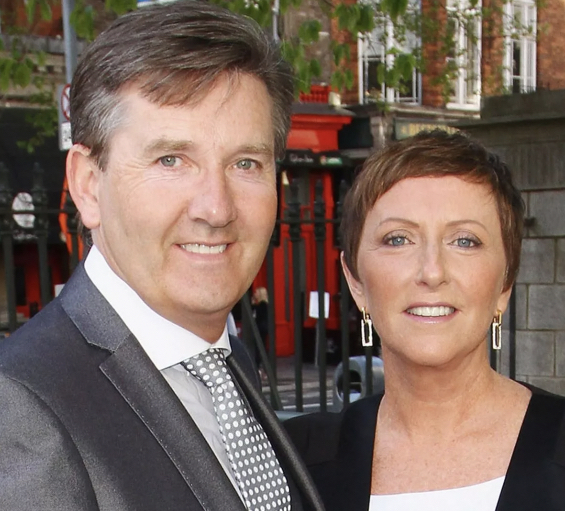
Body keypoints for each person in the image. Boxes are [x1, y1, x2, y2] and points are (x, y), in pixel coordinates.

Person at [0, 3, 325, 511]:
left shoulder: (226, 362)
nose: (215, 208)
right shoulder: (19, 407)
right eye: (171, 160)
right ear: (87, 185)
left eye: (245, 163)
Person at [285, 130, 565, 511]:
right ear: (355, 282)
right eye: (398, 239)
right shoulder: (294, 465)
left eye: (464, 241)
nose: (432, 272)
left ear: (505, 284)